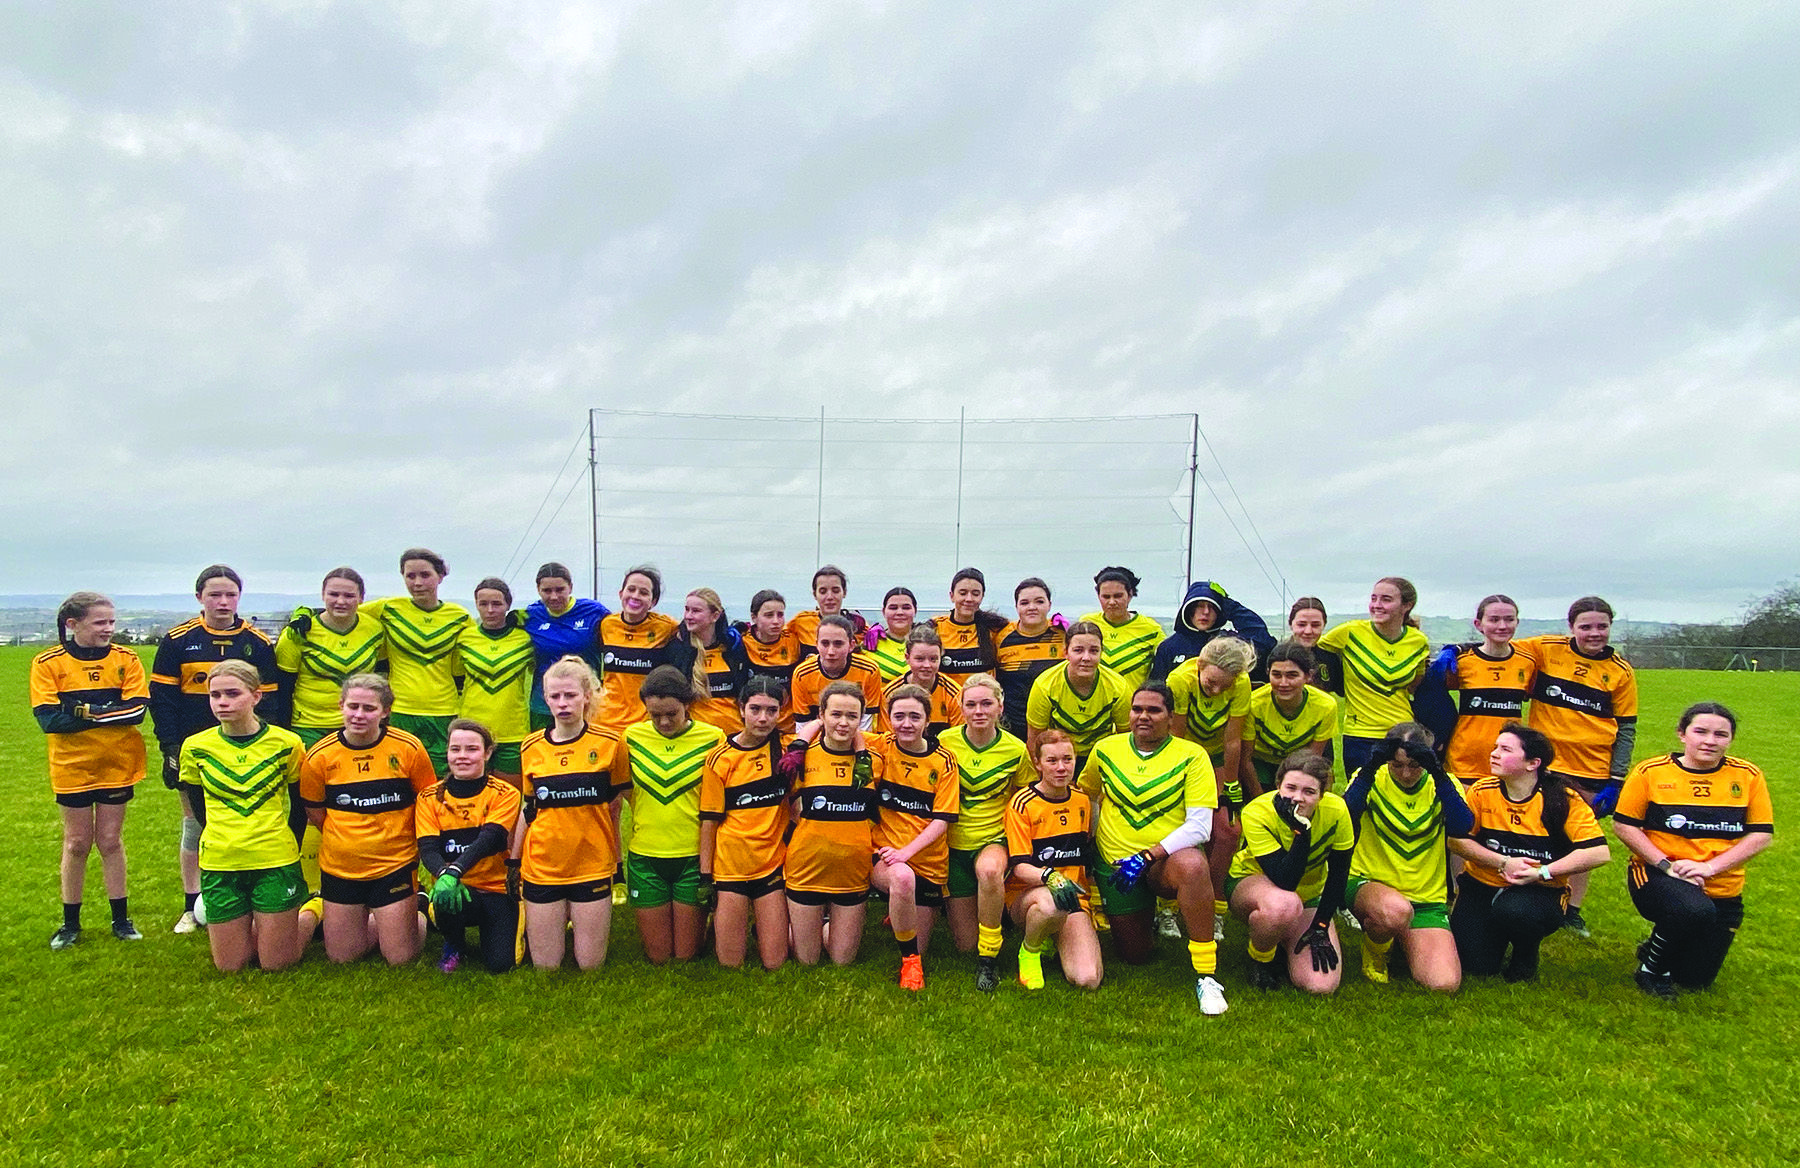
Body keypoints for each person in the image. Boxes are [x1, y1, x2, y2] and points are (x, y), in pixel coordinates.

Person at [1080, 682, 1228, 1014]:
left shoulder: (1192, 755)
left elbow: (1200, 827)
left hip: (1165, 861)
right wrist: (1088, 848)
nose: (1143, 716)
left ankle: (1206, 975)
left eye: (1154, 710)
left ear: (1171, 717)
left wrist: (1148, 855)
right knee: (1135, 956)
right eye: (1137, 709)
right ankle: (1151, 914)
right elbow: (1087, 795)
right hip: (1119, 867)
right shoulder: (1105, 749)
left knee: (1193, 866)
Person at [151, 564, 280, 934]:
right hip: (196, 750)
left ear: (239, 597)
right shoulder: (178, 640)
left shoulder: (256, 643)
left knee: (248, 820)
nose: (223, 602)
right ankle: (192, 905)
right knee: (196, 825)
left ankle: (248, 900)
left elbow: (269, 703)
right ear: (199, 598)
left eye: (230, 595)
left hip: (247, 747)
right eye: (214, 595)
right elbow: (163, 701)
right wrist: (171, 747)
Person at [1613, 702, 1774, 998]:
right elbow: (1624, 826)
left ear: (1730, 739)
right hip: (1657, 873)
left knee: (1694, 979)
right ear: (1682, 734)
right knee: (1691, 908)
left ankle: (1657, 943)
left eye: (1720, 734)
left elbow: (1761, 835)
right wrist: (1668, 866)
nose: (1710, 741)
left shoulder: (1748, 776)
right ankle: (1651, 971)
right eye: (1700, 731)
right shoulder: (1651, 772)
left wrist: (1710, 868)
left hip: (1720, 884)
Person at [31, 592, 150, 949]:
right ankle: (70, 924)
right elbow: (50, 720)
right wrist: (109, 711)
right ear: (73, 625)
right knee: (77, 842)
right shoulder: (47, 663)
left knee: (111, 841)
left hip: (118, 764)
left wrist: (82, 710)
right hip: (72, 767)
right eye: (101, 622)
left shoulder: (126, 659)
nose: (109, 629)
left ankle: (121, 920)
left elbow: (137, 713)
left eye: (111, 622)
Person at [1449, 723, 1610, 981]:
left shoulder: (1561, 798)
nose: (1494, 754)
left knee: (1516, 912)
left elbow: (1598, 852)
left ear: (1532, 763)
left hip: (1540, 890)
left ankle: (1525, 952)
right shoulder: (1481, 791)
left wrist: (1542, 872)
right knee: (1474, 965)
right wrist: (1503, 862)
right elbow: (1457, 842)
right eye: (1495, 747)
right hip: (1482, 884)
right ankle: (1493, 935)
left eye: (1505, 749)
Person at [1519, 596, 1639, 939]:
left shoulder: (1620, 672)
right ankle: (1533, 895)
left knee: (1579, 839)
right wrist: (1460, 648)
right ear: (1571, 627)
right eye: (1586, 626)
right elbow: (1501, 645)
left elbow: (1627, 728)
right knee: (1533, 831)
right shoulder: (1546, 649)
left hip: (1592, 769)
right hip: (1544, 764)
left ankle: (1572, 911)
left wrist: (1616, 780)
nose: (1594, 633)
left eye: (1602, 626)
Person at [299, 674, 437, 965]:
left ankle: (419, 907)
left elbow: (427, 803)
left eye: (369, 709)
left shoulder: (408, 748)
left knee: (400, 958)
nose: (359, 715)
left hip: (395, 865)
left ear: (385, 711)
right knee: (343, 957)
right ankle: (380, 918)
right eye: (353, 706)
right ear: (341, 705)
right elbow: (315, 813)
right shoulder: (320, 756)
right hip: (341, 869)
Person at [183, 661, 308, 972]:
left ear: (256, 696)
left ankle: (307, 918)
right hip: (221, 862)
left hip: (274, 861)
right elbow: (198, 809)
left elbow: (300, 806)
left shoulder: (287, 744)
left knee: (275, 964)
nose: (222, 702)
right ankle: (261, 927)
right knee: (230, 966)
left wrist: (285, 843)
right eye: (215, 695)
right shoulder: (196, 747)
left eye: (232, 694)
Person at [1342, 724, 1473, 992]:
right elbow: (1346, 815)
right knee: (1394, 911)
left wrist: (1437, 772)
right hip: (1369, 882)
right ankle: (1376, 952)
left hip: (1425, 897)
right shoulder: (1370, 777)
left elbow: (1462, 825)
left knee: (1443, 983)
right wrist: (1371, 767)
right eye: (1396, 765)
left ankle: (1400, 941)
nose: (1405, 773)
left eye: (1415, 765)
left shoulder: (1445, 784)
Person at [517, 656, 627, 970]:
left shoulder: (610, 743)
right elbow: (529, 810)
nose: (562, 703)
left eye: (570, 695)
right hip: (543, 865)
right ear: (545, 699)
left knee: (590, 965)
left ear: (587, 696)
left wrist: (618, 865)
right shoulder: (531, 746)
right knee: (546, 967)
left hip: (591, 864)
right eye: (555, 696)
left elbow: (617, 806)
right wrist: (514, 862)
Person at [619, 666, 726, 964]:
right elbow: (625, 790)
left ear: (687, 705)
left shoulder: (713, 738)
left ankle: (716, 926)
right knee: (659, 956)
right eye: (655, 715)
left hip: (691, 856)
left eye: (672, 714)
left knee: (685, 955)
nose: (663, 721)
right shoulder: (630, 738)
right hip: (646, 856)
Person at [1226, 755, 1354, 994]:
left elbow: (1338, 874)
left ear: (1322, 795)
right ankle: (1261, 959)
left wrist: (1321, 925)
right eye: (1291, 788)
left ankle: (1284, 942)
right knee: (1283, 905)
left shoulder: (1337, 810)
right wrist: (1302, 831)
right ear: (1278, 786)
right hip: (1255, 884)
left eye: (1309, 791)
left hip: (1307, 894)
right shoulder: (1257, 812)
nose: (1298, 797)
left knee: (1321, 986)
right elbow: (1284, 880)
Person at [939, 674, 1035, 991]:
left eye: (986, 703)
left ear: (999, 706)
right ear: (961, 708)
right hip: (951, 845)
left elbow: (1023, 797)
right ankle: (996, 919)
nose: (979, 710)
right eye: (971, 704)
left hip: (992, 838)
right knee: (965, 943)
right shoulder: (945, 743)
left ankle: (988, 962)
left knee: (990, 870)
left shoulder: (1015, 749)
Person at [781, 681, 884, 966]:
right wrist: (803, 739)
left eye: (852, 716)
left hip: (852, 873)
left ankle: (823, 927)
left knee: (842, 961)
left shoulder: (876, 755)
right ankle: (787, 930)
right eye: (836, 714)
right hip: (807, 869)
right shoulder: (801, 756)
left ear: (861, 719)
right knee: (808, 960)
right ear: (822, 716)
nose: (843, 722)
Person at [868, 685, 962, 990]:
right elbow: (837, 727)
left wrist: (907, 852)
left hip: (928, 863)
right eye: (898, 716)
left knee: (933, 939)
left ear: (927, 719)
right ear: (888, 718)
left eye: (914, 716)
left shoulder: (944, 761)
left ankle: (899, 911)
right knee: (903, 880)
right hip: (886, 856)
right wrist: (804, 738)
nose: (905, 723)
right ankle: (911, 963)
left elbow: (941, 822)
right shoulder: (882, 745)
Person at [1166, 635, 1258, 938]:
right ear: (1200, 666)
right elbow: (1176, 738)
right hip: (1184, 759)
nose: (1217, 691)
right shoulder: (1180, 679)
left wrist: (1230, 785)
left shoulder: (1242, 682)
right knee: (1182, 828)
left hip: (1217, 760)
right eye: (1211, 683)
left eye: (1225, 686)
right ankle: (1167, 906)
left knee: (1229, 831)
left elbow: (1233, 740)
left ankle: (1214, 903)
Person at [417, 719, 523, 974]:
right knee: (445, 898)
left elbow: (491, 839)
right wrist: (445, 875)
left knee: (502, 965)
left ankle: (517, 920)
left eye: (472, 749)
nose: (462, 756)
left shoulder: (505, 793)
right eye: (455, 749)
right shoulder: (429, 797)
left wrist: (453, 871)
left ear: (487, 753)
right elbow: (428, 848)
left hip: (496, 889)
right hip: (452, 888)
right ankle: (454, 943)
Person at [699, 676, 791, 970]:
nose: (763, 718)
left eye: (772, 710)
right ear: (741, 709)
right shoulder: (720, 758)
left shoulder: (788, 752)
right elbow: (709, 822)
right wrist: (705, 876)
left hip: (771, 866)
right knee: (730, 964)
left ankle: (762, 926)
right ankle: (725, 920)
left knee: (775, 963)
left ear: (781, 712)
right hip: (732, 867)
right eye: (755, 709)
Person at [360, 548, 472, 779]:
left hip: (444, 710)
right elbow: (341, 611)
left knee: (441, 780)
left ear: (440, 576)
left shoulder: (460, 617)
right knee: (398, 777)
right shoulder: (388, 608)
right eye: (410, 576)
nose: (417, 583)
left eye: (425, 575)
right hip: (400, 709)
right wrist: (303, 614)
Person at [1006, 730, 1102, 990]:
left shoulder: (1082, 801)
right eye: (1052, 761)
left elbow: (1085, 857)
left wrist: (1093, 902)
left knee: (1087, 980)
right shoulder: (1022, 803)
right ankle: (1030, 950)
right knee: (1053, 901)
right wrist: (1051, 876)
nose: (1061, 767)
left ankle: (1055, 938)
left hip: (1073, 900)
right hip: (1031, 897)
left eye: (1067, 759)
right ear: (1037, 763)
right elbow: (1019, 867)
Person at [1315, 577, 1430, 778]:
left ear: (1407, 605)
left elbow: (1415, 683)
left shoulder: (1418, 641)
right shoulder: (1349, 632)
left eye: (1386, 599)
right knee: (1362, 802)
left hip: (1403, 733)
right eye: (1374, 598)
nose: (1377, 605)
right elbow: (1312, 650)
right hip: (1359, 735)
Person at [274, 567, 384, 748]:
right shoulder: (298, 633)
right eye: (333, 594)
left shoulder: (375, 630)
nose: (340, 601)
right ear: (323, 595)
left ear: (361, 598)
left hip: (359, 724)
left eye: (349, 596)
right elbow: (283, 688)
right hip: (308, 727)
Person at [1436, 595, 1536, 783]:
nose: (1502, 626)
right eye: (1494, 619)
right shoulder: (1463, 662)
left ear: (1517, 622)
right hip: (1465, 761)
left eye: (1509, 619)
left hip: (1508, 763)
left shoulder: (1528, 663)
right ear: (1478, 624)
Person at [591, 565, 692, 738]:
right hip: (604, 721)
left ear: (653, 602)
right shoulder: (606, 624)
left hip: (645, 724)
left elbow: (697, 629)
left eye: (644, 592)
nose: (635, 596)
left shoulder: (666, 626)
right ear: (621, 594)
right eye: (631, 589)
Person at [455, 577, 535, 786]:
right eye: (483, 604)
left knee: (510, 798)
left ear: (508, 605)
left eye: (497, 604)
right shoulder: (464, 638)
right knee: (472, 794)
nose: (490, 610)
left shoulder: (526, 639)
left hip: (512, 731)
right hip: (472, 728)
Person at [1024, 620, 1131, 772]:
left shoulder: (1118, 687)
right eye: (1078, 650)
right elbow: (1035, 738)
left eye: (1094, 651)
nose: (1086, 658)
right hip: (1058, 758)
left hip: (1100, 758)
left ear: (1102, 653)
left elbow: (1124, 738)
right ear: (1066, 652)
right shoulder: (1045, 685)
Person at [522, 562, 609, 732]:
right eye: (547, 591)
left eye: (560, 590)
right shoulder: (530, 615)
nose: (554, 597)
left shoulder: (594, 612)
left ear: (570, 587)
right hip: (543, 705)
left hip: (585, 702)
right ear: (538, 589)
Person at [1247, 641, 1337, 790]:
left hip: (1301, 763)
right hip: (1261, 763)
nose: (1283, 683)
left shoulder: (1326, 706)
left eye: (1292, 675)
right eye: (1276, 675)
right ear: (1268, 673)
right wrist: (1259, 800)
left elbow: (1313, 758)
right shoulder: (1253, 704)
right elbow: (1245, 760)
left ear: (1308, 676)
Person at [1150, 579, 1274, 682]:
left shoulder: (1227, 643)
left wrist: (1230, 605)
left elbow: (1263, 642)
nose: (1206, 612)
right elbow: (1157, 691)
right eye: (1199, 606)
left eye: (1212, 607)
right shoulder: (1169, 647)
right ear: (1188, 609)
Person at [993, 577, 1066, 739]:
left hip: (1055, 725)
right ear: (1016, 606)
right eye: (1024, 603)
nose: (1032, 607)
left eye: (1039, 602)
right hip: (1012, 726)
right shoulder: (1000, 636)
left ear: (1049, 605)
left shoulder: (1063, 634)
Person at [679, 588, 753, 735]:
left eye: (696, 611)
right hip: (697, 737)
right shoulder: (679, 651)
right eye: (687, 610)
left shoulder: (734, 648)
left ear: (715, 616)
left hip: (734, 734)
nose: (688, 616)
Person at [787, 614, 884, 727]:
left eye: (838, 644)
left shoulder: (869, 671)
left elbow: (865, 726)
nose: (831, 651)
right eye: (825, 643)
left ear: (851, 645)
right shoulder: (802, 674)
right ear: (816, 644)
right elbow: (803, 726)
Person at [872, 625, 963, 736]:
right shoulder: (889, 694)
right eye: (919, 659)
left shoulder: (955, 694)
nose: (927, 665)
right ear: (907, 658)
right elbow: (887, 740)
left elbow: (957, 739)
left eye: (933, 659)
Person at [1080, 566, 1163, 687]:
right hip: (1094, 703)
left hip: (1132, 703)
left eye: (1118, 596)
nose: (1112, 602)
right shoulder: (1087, 623)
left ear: (1130, 595)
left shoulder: (1151, 629)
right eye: (1106, 597)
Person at [929, 567, 1010, 687]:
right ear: (951, 596)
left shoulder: (995, 628)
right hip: (947, 703)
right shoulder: (935, 627)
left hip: (982, 702)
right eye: (963, 593)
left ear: (982, 596)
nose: (969, 599)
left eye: (975, 594)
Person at [740, 589, 803, 730]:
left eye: (780, 615)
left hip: (788, 726)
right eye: (769, 615)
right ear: (754, 617)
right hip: (757, 724)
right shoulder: (742, 642)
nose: (776, 621)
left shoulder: (793, 640)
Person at [788, 565, 866, 657]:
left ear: (844, 592)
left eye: (835, 591)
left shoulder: (858, 624)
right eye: (823, 591)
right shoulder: (800, 622)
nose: (829, 597)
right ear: (814, 594)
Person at [865, 586, 919, 683]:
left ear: (915, 611)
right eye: (893, 608)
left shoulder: (927, 643)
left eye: (906, 608)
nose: (899, 612)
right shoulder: (869, 644)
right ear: (883, 612)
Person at [1286, 597, 1333, 691]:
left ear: (1324, 625)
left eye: (1315, 625)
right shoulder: (1274, 657)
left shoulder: (1330, 658)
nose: (1308, 631)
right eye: (1301, 625)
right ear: (1291, 624)